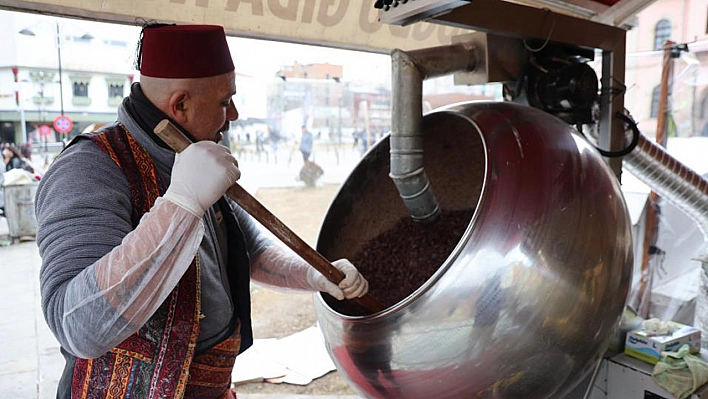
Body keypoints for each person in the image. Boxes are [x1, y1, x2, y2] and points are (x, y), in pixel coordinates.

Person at [35, 23, 370, 399]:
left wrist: (315, 274)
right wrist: (182, 204)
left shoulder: (197, 155)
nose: (235, 114)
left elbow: (252, 249)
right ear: (180, 105)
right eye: (225, 101)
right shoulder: (90, 168)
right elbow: (79, 326)